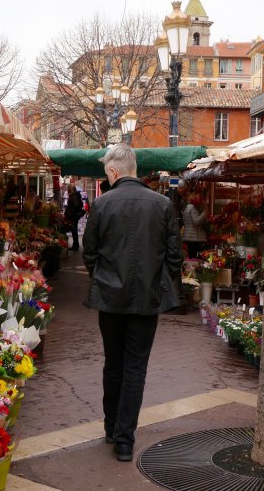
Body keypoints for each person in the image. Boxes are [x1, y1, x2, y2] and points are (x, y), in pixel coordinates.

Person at [82, 144, 183, 462]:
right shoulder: (163, 204)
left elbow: (89, 251)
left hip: (110, 298)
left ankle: (113, 429)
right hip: (146, 298)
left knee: (113, 363)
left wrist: (101, 276)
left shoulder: (101, 204)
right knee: (135, 368)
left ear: (113, 172)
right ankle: (125, 439)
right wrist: (159, 282)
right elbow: (175, 257)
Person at [182, 191, 208, 258]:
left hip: (189, 237)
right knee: (195, 260)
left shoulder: (187, 207)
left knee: (191, 260)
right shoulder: (192, 208)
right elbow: (196, 222)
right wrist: (205, 213)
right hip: (195, 238)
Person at [64, 183, 84, 250]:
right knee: (74, 229)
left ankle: (75, 245)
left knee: (74, 229)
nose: (67, 190)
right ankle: (75, 244)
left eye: (68, 188)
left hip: (74, 215)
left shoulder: (73, 196)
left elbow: (75, 205)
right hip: (75, 214)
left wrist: (69, 211)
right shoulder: (75, 195)